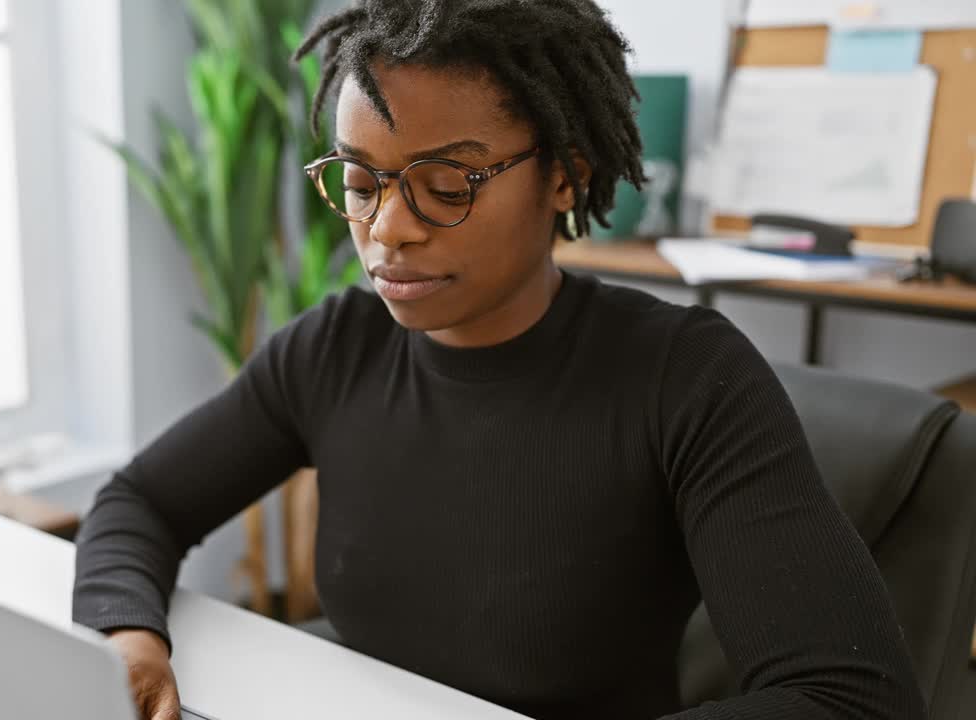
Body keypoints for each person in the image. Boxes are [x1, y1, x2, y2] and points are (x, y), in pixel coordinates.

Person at [73, 2, 927, 718]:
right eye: (361, 183)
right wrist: (130, 640)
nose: (387, 231)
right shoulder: (337, 348)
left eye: (447, 187)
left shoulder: (683, 377)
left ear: (564, 175)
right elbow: (141, 501)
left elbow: (850, 697)